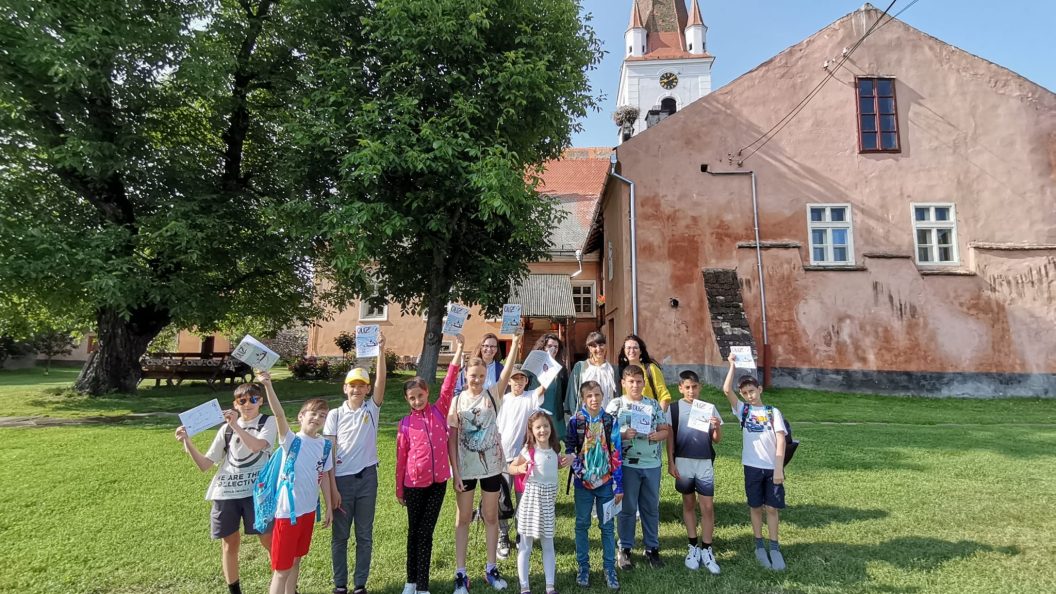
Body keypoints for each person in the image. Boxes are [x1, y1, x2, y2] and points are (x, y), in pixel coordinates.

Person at [175, 382, 278, 594]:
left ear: (261, 401)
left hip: (256, 493)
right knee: (230, 543)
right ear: (235, 404)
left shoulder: (267, 422)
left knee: (268, 540)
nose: (248, 404)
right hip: (226, 492)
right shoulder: (226, 429)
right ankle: (234, 590)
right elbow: (205, 464)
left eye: (253, 399)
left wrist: (236, 426)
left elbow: (256, 446)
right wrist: (187, 441)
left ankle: (282, 585)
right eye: (242, 400)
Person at [448, 331, 524, 594]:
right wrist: (456, 472)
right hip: (466, 469)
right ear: (465, 376)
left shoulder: (493, 394)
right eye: (473, 376)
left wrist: (516, 342)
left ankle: (491, 568)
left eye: (481, 376)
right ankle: (461, 573)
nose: (477, 380)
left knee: (491, 516)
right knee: (463, 519)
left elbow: (507, 372)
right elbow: (451, 440)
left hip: (491, 467)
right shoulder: (457, 401)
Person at [396, 334, 466, 594]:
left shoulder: (439, 410)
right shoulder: (405, 424)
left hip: (438, 484)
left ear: (427, 393)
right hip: (413, 485)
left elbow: (449, 382)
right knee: (413, 533)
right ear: (407, 400)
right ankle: (411, 581)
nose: (417, 401)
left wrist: (459, 349)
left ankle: (423, 586)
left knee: (426, 533)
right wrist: (399, 489)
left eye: (420, 395)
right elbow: (401, 460)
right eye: (412, 398)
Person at [258, 371, 334, 594]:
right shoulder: (291, 441)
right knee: (281, 570)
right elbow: (279, 415)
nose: (317, 418)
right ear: (301, 416)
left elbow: (324, 476)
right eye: (313, 413)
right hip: (287, 514)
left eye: (322, 415)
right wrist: (268, 385)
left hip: (308, 512)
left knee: (296, 561)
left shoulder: (325, 445)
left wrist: (329, 506)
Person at [325, 334, 387, 594]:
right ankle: (340, 585)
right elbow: (328, 454)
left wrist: (381, 351)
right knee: (340, 536)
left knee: (364, 535)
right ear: (345, 388)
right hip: (341, 481)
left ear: (367, 389)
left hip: (367, 479)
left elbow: (382, 382)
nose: (357, 390)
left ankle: (360, 584)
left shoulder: (371, 409)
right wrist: (332, 489)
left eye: (362, 386)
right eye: (352, 386)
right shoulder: (334, 415)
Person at [721, 352, 788, 571]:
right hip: (752, 467)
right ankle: (759, 545)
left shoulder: (772, 412)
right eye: (745, 393)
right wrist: (732, 365)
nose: (749, 395)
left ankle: (774, 547)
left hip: (771, 468)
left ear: (759, 389)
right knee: (755, 506)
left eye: (752, 391)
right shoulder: (744, 410)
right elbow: (726, 390)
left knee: (772, 508)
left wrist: (778, 468)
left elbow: (781, 440)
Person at [606, 365, 670, 570]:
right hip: (626, 465)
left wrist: (657, 435)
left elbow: (665, 430)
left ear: (644, 383)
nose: (635, 385)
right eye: (631, 381)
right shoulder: (616, 405)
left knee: (650, 507)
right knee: (627, 508)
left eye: (638, 381)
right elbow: (604, 434)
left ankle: (652, 548)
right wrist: (623, 435)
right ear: (623, 383)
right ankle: (625, 548)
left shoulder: (652, 404)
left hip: (651, 464)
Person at [565, 381, 623, 590]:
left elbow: (616, 452)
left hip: (606, 483)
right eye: (589, 396)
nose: (594, 399)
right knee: (582, 524)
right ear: (583, 398)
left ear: (603, 396)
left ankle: (609, 568)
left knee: (607, 526)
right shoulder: (576, 421)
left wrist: (619, 484)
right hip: (583, 484)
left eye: (597, 395)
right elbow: (570, 449)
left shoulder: (610, 420)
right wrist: (581, 473)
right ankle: (583, 567)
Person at [507, 411, 571, 594]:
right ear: (531, 431)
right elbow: (511, 468)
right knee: (525, 546)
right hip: (530, 504)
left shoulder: (554, 449)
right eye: (538, 427)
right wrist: (520, 468)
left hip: (547, 504)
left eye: (545, 426)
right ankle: (524, 587)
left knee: (548, 545)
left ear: (551, 427)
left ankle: (550, 586)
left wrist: (567, 460)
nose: (542, 430)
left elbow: (555, 465)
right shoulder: (528, 451)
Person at [666, 370, 722, 574]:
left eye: (694, 387)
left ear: (700, 387)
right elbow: (670, 437)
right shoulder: (673, 409)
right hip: (683, 462)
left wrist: (716, 427)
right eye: (687, 387)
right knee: (689, 503)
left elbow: (716, 439)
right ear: (680, 388)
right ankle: (693, 546)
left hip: (704, 462)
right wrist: (671, 462)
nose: (691, 391)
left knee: (707, 506)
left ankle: (707, 548)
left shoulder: (708, 408)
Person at [494, 364, 545, 559]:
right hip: (502, 458)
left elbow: (544, 386)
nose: (518, 382)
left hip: (523, 458)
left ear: (526, 381)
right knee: (502, 499)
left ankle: (521, 534)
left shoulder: (530, 397)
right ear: (509, 381)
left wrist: (547, 364)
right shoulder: (502, 399)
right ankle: (503, 536)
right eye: (515, 379)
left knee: (523, 499)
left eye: (522, 379)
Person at [565, 332, 618, 417]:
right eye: (594, 346)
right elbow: (572, 395)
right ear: (589, 348)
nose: (598, 349)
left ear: (606, 346)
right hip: (585, 418)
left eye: (601, 345)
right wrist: (576, 417)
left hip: (607, 419)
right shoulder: (580, 367)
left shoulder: (613, 370)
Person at [616, 335, 672, 411]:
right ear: (624, 351)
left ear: (641, 351)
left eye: (635, 348)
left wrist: (659, 416)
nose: (632, 351)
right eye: (628, 348)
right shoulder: (622, 371)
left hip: (650, 415)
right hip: (629, 416)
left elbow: (664, 396)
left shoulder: (650, 369)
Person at [531, 333, 568, 440]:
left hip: (556, 414)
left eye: (556, 347)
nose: (553, 349)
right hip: (538, 413)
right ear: (543, 347)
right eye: (550, 346)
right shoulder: (534, 367)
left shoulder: (561, 369)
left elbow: (564, 393)